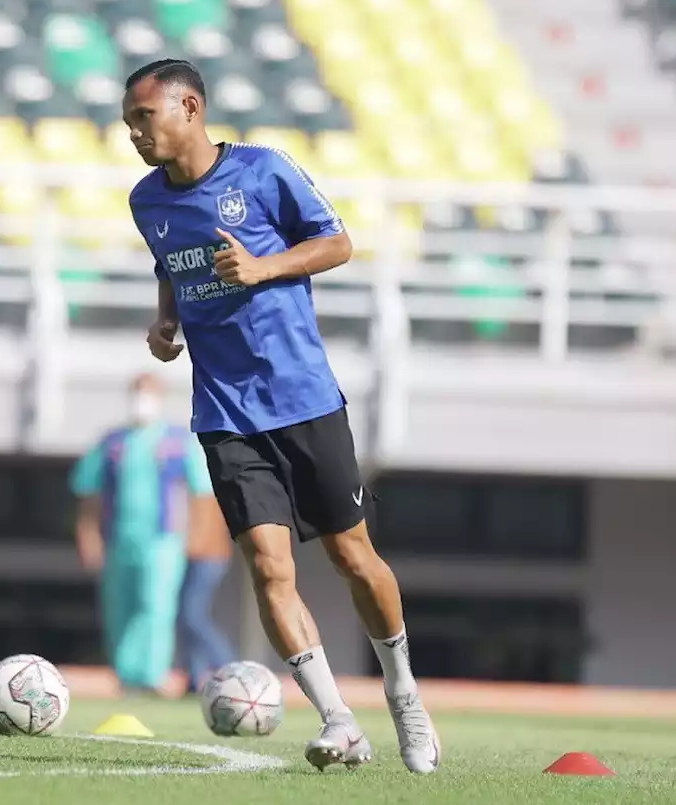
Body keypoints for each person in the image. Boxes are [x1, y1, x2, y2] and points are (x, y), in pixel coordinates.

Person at [123, 57, 439, 773]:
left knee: (352, 557)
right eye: (129, 124)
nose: (137, 134)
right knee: (269, 567)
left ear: (191, 108)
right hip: (225, 410)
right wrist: (167, 323)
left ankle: (404, 694)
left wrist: (264, 267)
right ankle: (337, 720)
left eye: (146, 117)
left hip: (303, 399)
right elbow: (170, 265)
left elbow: (339, 242)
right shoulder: (146, 202)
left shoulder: (266, 172)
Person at [70, 372, 214, 696]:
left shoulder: (177, 441)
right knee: (119, 607)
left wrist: (197, 534)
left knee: (156, 606)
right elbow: (88, 490)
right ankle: (126, 675)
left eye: (148, 395)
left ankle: (152, 674)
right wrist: (87, 534)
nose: (142, 402)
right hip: (119, 540)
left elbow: (200, 491)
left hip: (163, 540)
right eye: (138, 394)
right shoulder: (112, 442)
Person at [178, 489, 237, 694]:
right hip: (199, 556)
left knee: (192, 616)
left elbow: (202, 526)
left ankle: (231, 669)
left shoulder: (202, 480)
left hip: (205, 557)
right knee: (186, 617)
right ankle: (195, 678)